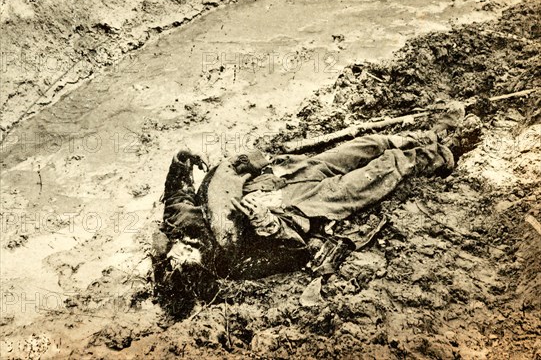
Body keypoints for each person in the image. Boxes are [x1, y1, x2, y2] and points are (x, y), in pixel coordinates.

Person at [152, 102, 480, 310]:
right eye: (185, 261)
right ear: (198, 270)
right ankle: (445, 153)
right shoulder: (231, 259)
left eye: (177, 255)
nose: (184, 252)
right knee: (380, 172)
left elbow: (179, 197)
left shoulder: (183, 228)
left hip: (281, 177)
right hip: (309, 206)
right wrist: (270, 225)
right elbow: (295, 252)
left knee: (363, 147)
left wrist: (180, 164)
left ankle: (427, 137)